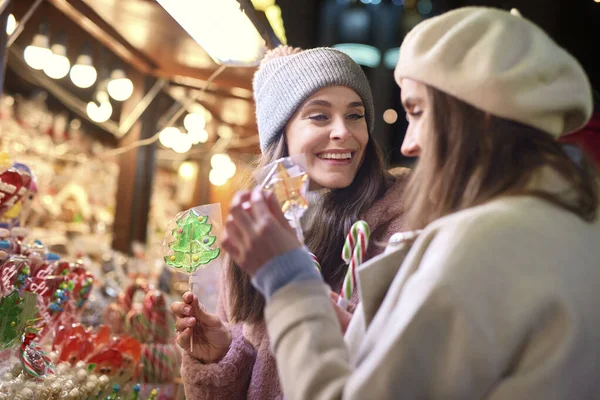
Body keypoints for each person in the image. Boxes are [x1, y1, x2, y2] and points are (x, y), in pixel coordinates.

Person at [223, 7, 600, 400]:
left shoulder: (486, 242)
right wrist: (365, 331)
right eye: (319, 116)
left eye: (418, 112)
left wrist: (288, 279)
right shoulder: (568, 223)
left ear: (481, 116)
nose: (408, 143)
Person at [171, 46, 411, 399]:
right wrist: (221, 356)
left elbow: (406, 371)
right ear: (281, 133)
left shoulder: (401, 230)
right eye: (319, 116)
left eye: (355, 115)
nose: (343, 131)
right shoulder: (252, 234)